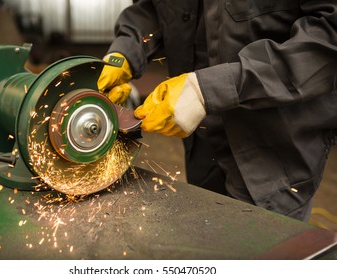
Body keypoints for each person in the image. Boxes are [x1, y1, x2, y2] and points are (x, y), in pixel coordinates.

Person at [97, 0, 337, 222]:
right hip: (202, 144)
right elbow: (152, 8)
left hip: (275, 156)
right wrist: (125, 51)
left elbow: (329, 36)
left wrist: (208, 90)